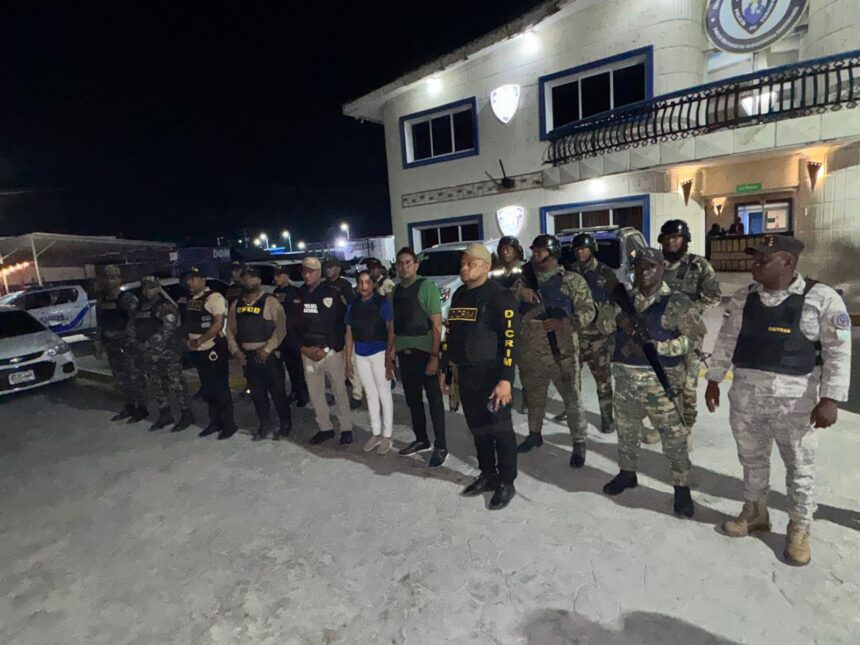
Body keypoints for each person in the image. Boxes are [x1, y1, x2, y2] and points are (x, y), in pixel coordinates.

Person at [704, 235, 851, 566]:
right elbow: (727, 340)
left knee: (799, 467)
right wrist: (714, 378)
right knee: (752, 460)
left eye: (764, 259)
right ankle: (755, 511)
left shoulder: (821, 298)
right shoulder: (744, 298)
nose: (755, 264)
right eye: (755, 257)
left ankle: (799, 526)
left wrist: (831, 398)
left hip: (795, 404)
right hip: (746, 400)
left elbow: (839, 351)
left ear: (788, 262)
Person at [597, 248, 705, 518]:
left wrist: (660, 347)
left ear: (661, 268)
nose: (644, 272)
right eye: (639, 266)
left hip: (661, 384)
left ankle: (681, 488)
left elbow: (694, 339)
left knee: (674, 439)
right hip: (625, 380)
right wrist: (618, 320)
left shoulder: (677, 301)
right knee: (626, 432)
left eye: (650, 266)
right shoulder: (623, 299)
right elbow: (601, 325)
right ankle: (627, 473)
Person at [440, 243, 520, 510]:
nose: (464, 268)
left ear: (486, 267)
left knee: (500, 429)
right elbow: (452, 334)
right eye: (462, 264)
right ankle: (488, 474)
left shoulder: (500, 297)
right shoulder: (460, 294)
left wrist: (506, 379)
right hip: (467, 374)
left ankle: (506, 481)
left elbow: (511, 341)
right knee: (478, 428)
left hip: (492, 376)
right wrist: (447, 371)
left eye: (470, 264)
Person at [512, 234, 595, 467]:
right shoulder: (524, 280)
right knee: (534, 396)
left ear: (553, 253)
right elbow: (506, 303)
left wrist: (565, 323)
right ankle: (534, 434)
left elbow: (589, 310)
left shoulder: (572, 280)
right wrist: (520, 293)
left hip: (561, 350)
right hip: (530, 350)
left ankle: (579, 442)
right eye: (534, 250)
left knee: (572, 398)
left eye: (540, 251)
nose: (535, 254)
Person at [658, 219, 721, 443]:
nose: (671, 242)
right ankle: (663, 426)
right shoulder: (656, 263)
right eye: (667, 238)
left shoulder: (699, 265)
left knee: (687, 383)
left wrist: (691, 310)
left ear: (685, 240)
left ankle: (687, 428)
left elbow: (714, 296)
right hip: (660, 330)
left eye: (676, 237)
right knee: (661, 380)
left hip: (688, 332)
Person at [390, 247, 447, 468]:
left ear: (416, 264)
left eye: (408, 262)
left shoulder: (426, 286)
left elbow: (437, 324)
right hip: (405, 354)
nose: (404, 267)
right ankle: (421, 439)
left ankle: (441, 446)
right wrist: (389, 354)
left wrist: (434, 356)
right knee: (413, 401)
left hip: (425, 353)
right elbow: (393, 325)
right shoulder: (395, 290)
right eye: (400, 263)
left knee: (434, 402)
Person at [226, 266, 291, 440]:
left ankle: (285, 423)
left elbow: (281, 328)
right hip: (248, 357)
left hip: (269, 356)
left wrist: (267, 349)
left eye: (252, 277)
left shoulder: (270, 301)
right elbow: (230, 330)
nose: (249, 281)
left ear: (259, 281)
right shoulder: (237, 305)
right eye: (246, 277)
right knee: (257, 393)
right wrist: (236, 351)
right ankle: (264, 423)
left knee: (278, 392)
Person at [299, 256, 354, 445]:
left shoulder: (332, 292)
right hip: (308, 353)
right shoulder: (299, 294)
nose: (307, 275)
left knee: (339, 390)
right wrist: (303, 348)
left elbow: (339, 325)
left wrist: (328, 348)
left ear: (319, 272)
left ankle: (346, 428)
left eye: (311, 271)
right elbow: (293, 325)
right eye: (304, 271)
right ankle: (325, 428)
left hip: (330, 352)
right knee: (315, 393)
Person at [568, 232, 617, 434]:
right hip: (575, 335)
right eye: (578, 249)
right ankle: (573, 412)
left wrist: (608, 320)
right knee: (572, 379)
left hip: (598, 336)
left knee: (603, 380)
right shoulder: (570, 272)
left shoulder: (605, 273)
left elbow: (617, 301)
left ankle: (606, 417)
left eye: (585, 249)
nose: (581, 252)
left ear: (592, 249)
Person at [135, 276, 195, 432]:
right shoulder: (141, 307)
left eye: (151, 287)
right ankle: (165, 414)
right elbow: (134, 325)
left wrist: (148, 343)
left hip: (168, 352)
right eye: (145, 288)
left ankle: (186, 414)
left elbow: (168, 329)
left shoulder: (165, 306)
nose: (147, 291)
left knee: (176, 384)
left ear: (157, 288)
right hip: (150, 354)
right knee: (158, 385)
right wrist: (137, 341)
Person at [184, 267, 237, 440]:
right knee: (208, 388)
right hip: (198, 349)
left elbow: (218, 324)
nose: (189, 283)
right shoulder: (192, 300)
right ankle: (215, 421)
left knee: (220, 388)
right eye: (188, 279)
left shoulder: (214, 297)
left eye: (193, 279)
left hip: (213, 347)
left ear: (202, 280)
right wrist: (189, 341)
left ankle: (229, 424)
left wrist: (200, 340)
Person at [345, 271, 395, 453]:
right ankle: (376, 433)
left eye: (367, 282)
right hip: (360, 354)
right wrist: (348, 360)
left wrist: (390, 357)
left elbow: (391, 329)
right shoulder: (353, 305)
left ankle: (387, 435)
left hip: (379, 352)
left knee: (384, 394)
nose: (364, 286)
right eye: (361, 282)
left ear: (373, 284)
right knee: (370, 394)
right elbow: (349, 333)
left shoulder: (381, 303)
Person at [97, 264, 148, 422]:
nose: (109, 281)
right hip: (112, 346)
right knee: (121, 379)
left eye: (112, 277)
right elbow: (100, 323)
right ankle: (129, 406)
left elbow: (136, 322)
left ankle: (142, 408)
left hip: (128, 345)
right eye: (106, 277)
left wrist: (130, 340)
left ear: (119, 280)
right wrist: (99, 343)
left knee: (136, 377)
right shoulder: (102, 300)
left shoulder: (128, 299)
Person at [324, 255, 362, 409]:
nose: (328, 269)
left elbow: (352, 308)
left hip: (344, 330)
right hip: (330, 332)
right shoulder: (323, 286)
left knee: (350, 363)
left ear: (338, 269)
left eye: (331, 266)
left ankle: (357, 395)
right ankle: (338, 394)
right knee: (334, 367)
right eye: (326, 266)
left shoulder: (344, 285)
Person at [273, 266, 310, 407]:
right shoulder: (275, 293)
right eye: (275, 275)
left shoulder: (296, 292)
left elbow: (301, 315)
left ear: (286, 276)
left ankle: (303, 394)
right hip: (281, 336)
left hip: (295, 335)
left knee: (298, 367)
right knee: (289, 367)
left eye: (279, 275)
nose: (276, 278)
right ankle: (295, 392)